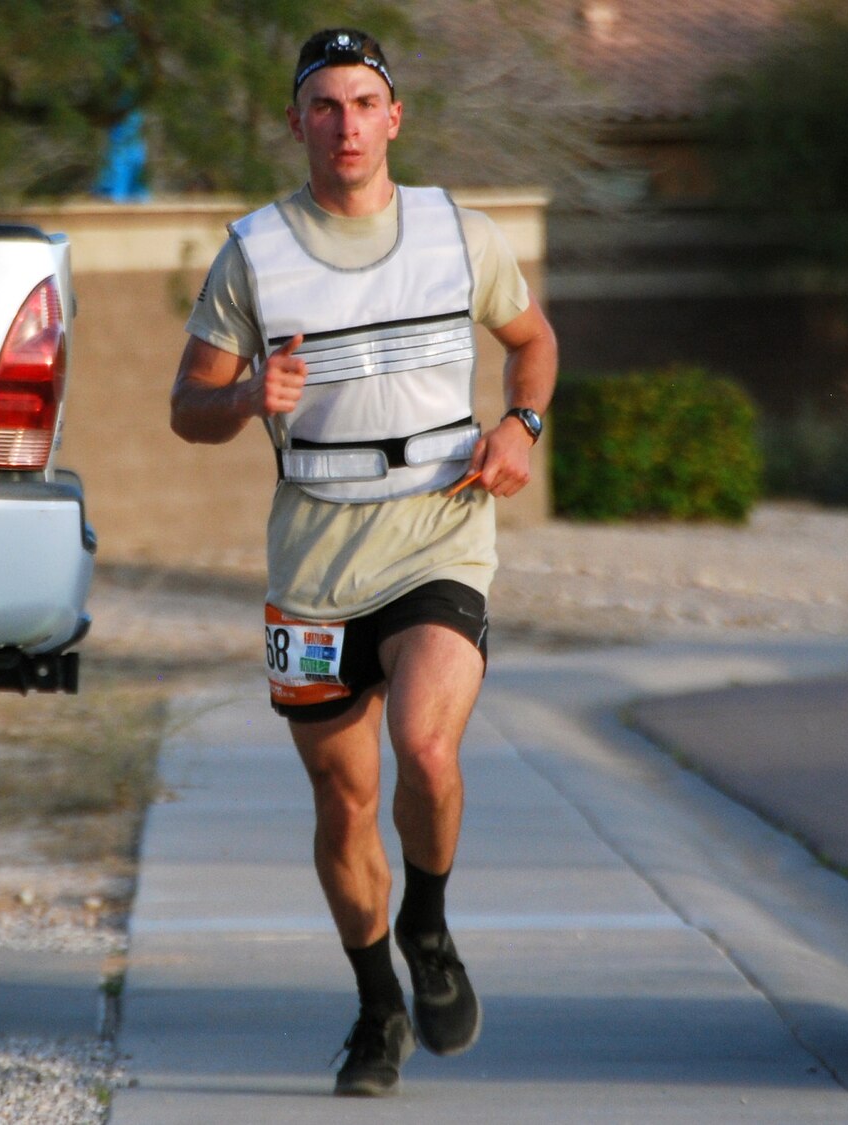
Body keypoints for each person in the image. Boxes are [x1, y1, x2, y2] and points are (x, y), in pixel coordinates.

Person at [168, 27, 557, 1098]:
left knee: (423, 750)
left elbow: (533, 341)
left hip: (438, 532)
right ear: (296, 122)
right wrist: (246, 397)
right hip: (314, 560)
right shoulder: (254, 252)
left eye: (363, 103)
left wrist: (520, 424)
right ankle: (377, 1007)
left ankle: (426, 930)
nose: (345, 125)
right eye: (324, 106)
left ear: (394, 117)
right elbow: (186, 407)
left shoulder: (456, 234)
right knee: (343, 805)